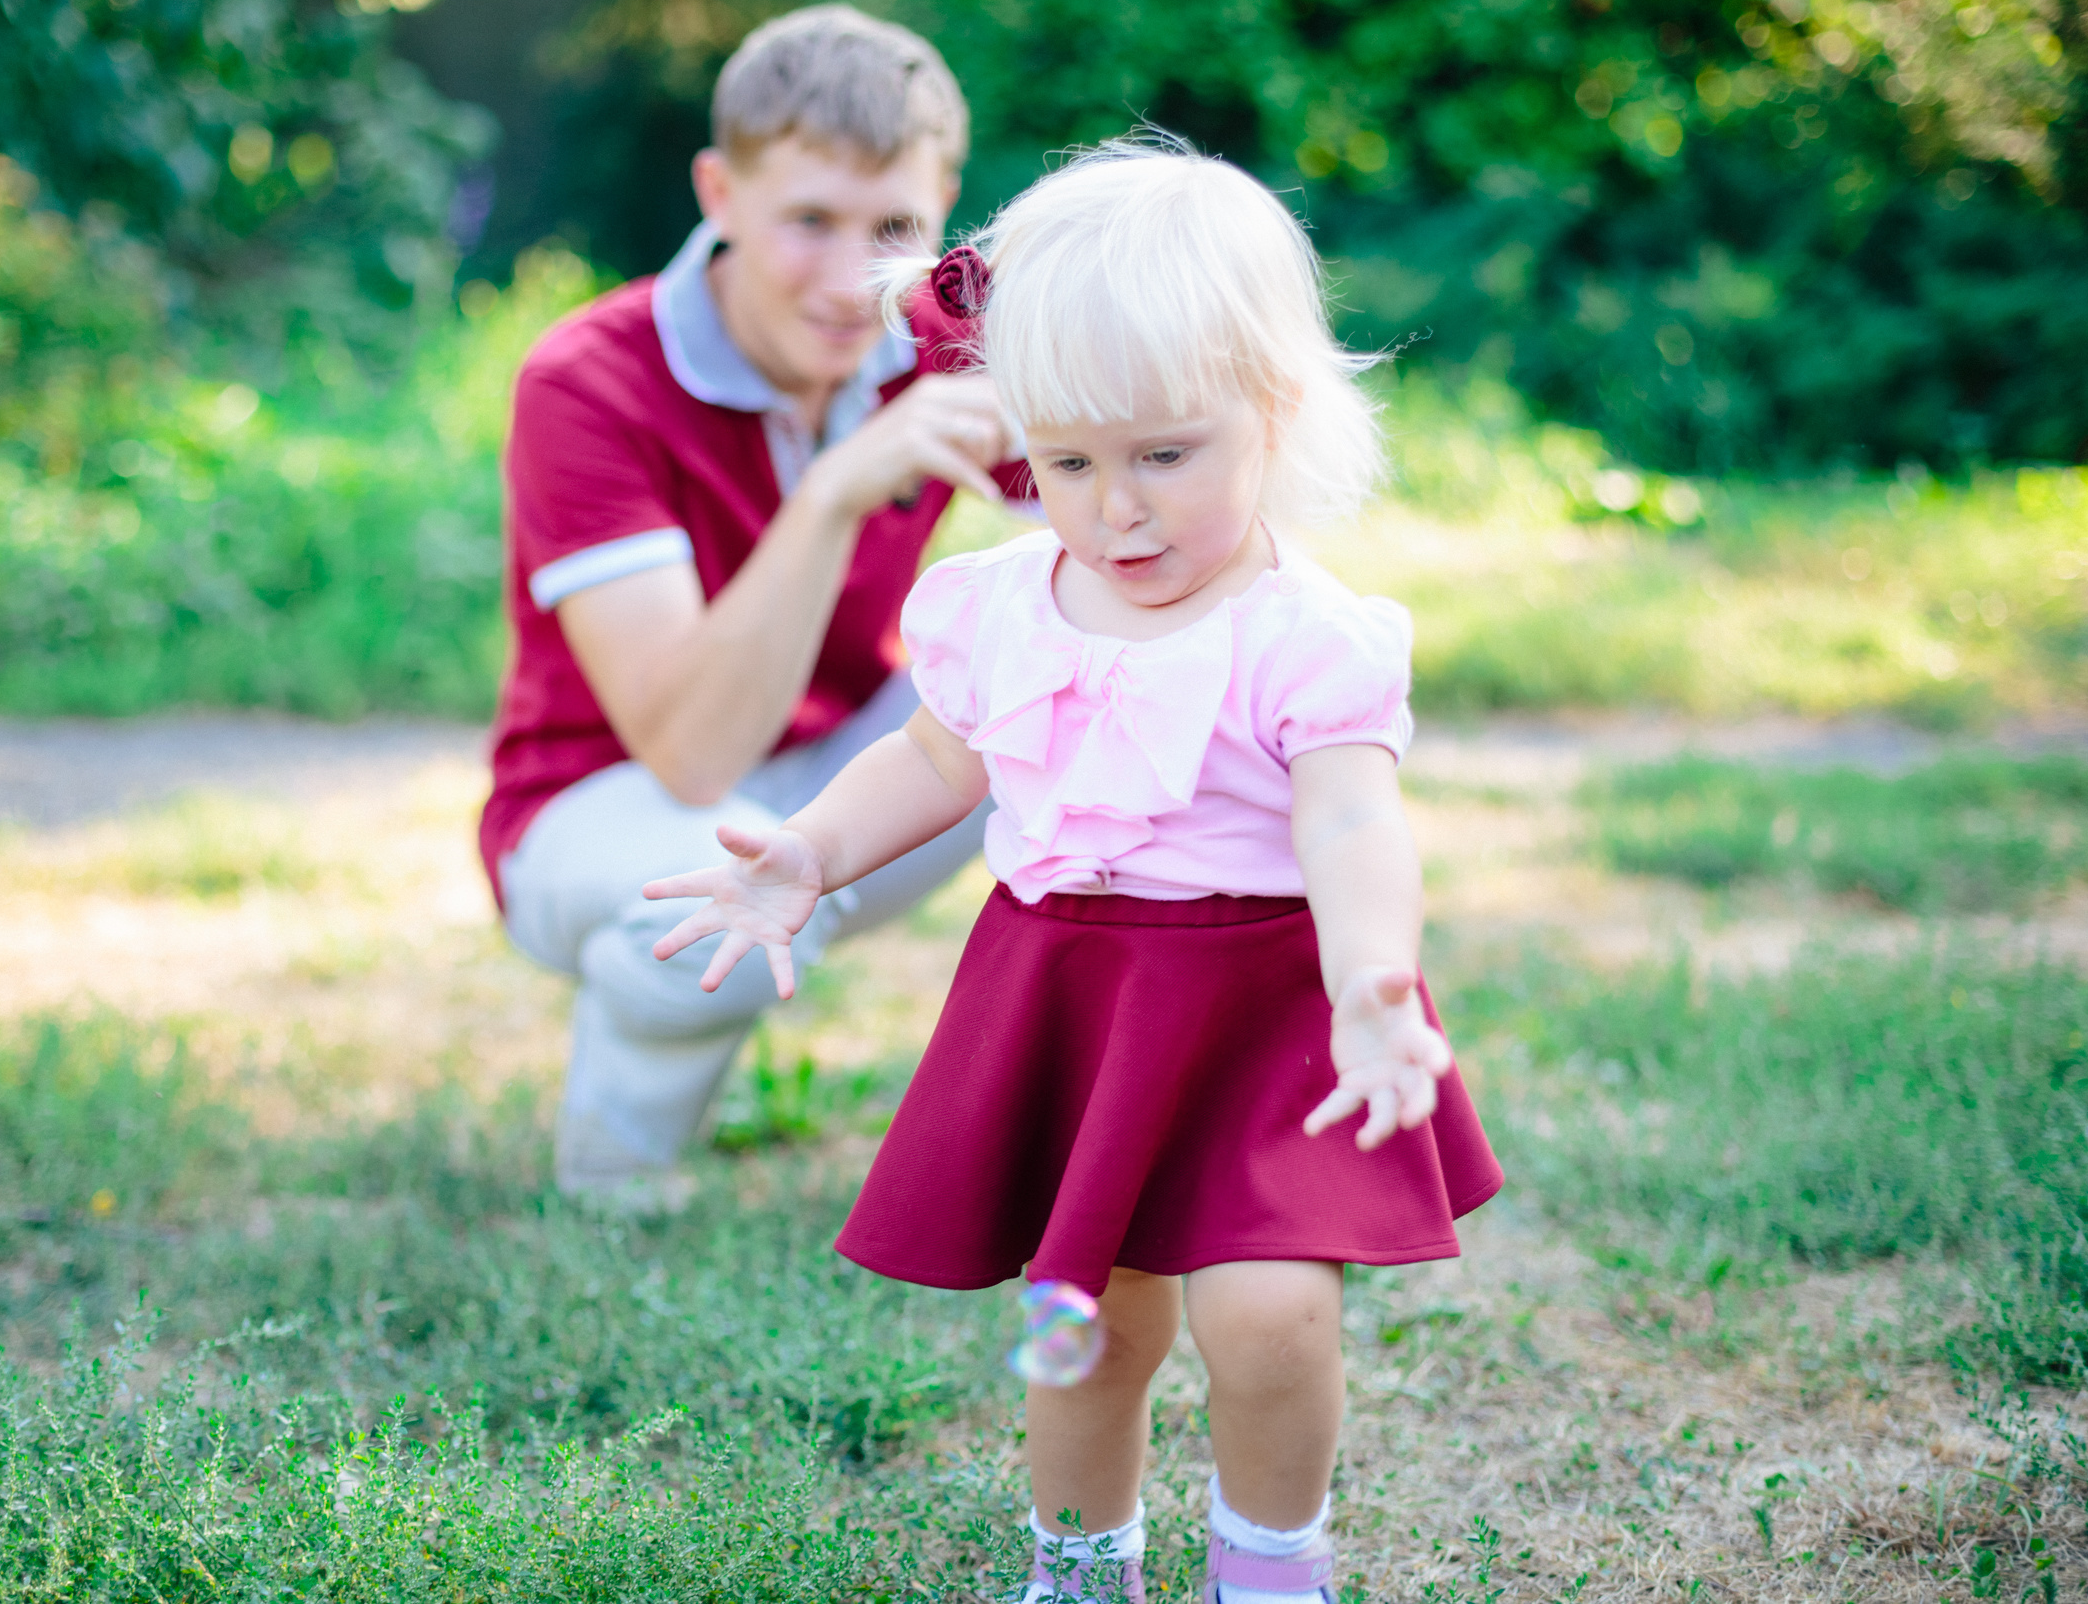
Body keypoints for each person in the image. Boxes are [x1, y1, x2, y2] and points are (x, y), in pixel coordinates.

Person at [644, 139, 1504, 1603]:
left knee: (1273, 1310)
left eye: (1165, 453)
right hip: (1072, 998)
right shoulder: (999, 608)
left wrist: (1372, 978)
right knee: (1082, 1316)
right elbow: (934, 759)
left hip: (1268, 1009)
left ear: (1271, 412)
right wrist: (812, 851)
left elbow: (1355, 822)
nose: (1115, 510)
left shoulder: (1308, 634)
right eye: (1068, 463)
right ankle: (1081, 1558)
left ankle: (1272, 1565)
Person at [477, 5, 1026, 1201]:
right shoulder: (591, 378)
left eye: (892, 228)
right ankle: (614, 1170)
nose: (848, 280)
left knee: (1101, 707)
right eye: (808, 221)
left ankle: (1107, 1111)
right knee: (716, 891)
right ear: (719, 194)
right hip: (597, 803)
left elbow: (1149, 568)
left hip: (846, 761)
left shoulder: (944, 337)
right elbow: (692, 754)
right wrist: (834, 490)